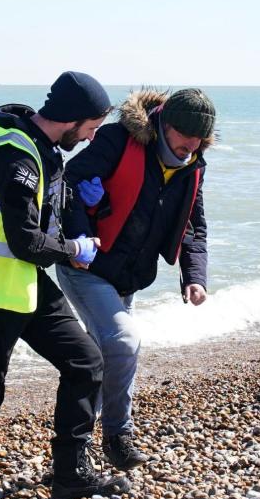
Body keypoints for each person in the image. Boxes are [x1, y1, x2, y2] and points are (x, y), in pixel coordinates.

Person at [0, 72, 131, 499]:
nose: (90, 138)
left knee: (85, 362)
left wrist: (93, 204)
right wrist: (74, 250)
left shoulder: (42, 146)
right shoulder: (14, 157)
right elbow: (25, 241)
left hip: (25, 283)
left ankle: (70, 474)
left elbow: (50, 211)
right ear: (72, 119)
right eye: (90, 128)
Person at [57, 88, 215, 470]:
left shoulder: (193, 163)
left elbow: (193, 225)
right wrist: (80, 235)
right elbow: (67, 183)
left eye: (199, 140)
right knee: (124, 342)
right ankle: (117, 435)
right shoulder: (116, 140)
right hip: (87, 267)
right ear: (164, 124)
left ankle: (73, 457)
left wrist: (194, 277)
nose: (190, 146)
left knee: (106, 354)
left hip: (129, 277)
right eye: (185, 136)